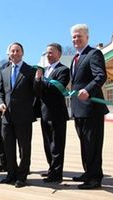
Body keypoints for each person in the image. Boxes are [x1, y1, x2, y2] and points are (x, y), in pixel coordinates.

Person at [70, 24, 109, 189]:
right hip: (79, 109)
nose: (76, 39)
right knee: (85, 144)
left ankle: (95, 178)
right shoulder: (75, 58)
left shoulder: (94, 54)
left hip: (92, 109)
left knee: (93, 144)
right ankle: (88, 172)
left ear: (87, 37)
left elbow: (101, 76)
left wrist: (88, 89)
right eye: (73, 37)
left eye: (79, 36)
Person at [0, 42, 37, 188]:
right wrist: (0, 102)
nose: (15, 53)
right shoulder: (4, 72)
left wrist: (38, 80)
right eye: (12, 51)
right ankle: (11, 175)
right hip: (7, 117)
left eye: (18, 50)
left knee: (24, 148)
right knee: (8, 147)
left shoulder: (31, 71)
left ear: (22, 53)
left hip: (24, 116)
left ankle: (22, 176)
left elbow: (37, 92)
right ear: (9, 54)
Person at [34, 43, 70, 183]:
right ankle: (51, 169)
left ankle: (57, 173)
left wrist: (42, 79)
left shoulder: (63, 70)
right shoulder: (44, 71)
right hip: (44, 113)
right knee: (48, 144)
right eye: (46, 53)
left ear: (59, 54)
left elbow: (56, 89)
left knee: (57, 145)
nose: (48, 55)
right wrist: (38, 79)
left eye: (51, 52)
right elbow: (37, 91)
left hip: (57, 113)